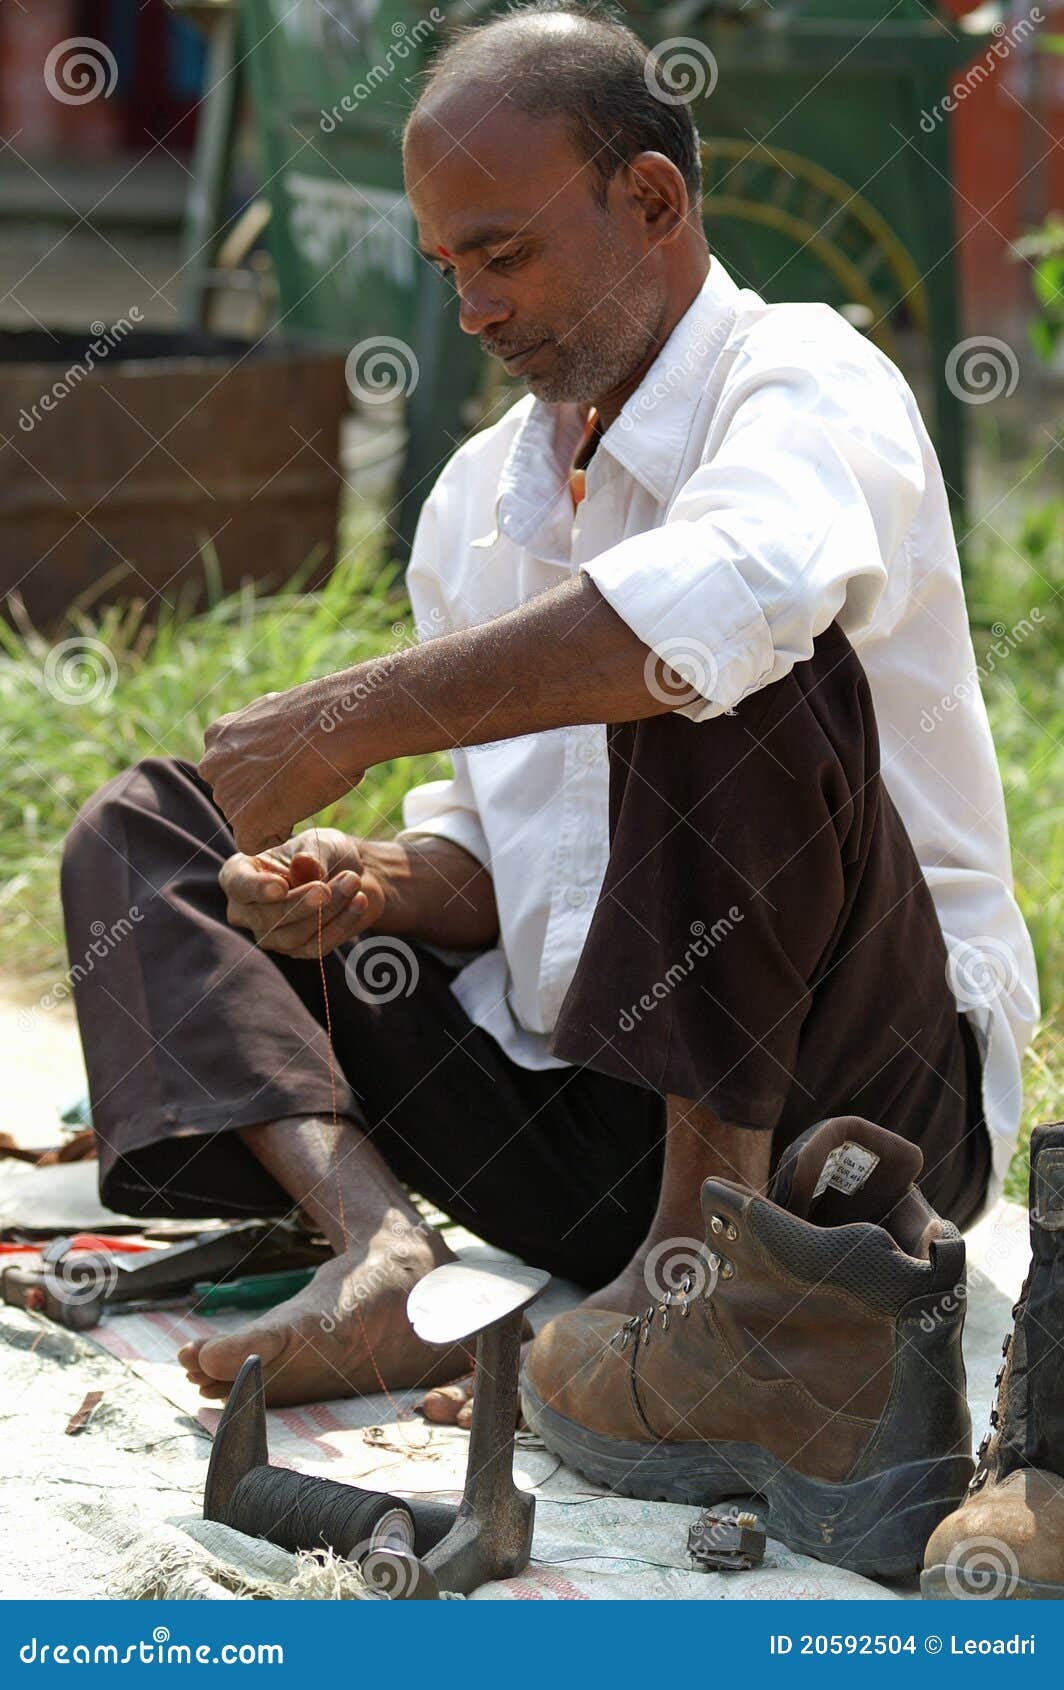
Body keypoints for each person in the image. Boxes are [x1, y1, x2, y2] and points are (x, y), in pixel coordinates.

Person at [63, 1, 1037, 1411]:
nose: (471, 307)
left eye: (503, 254)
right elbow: (498, 859)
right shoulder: (477, 501)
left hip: (850, 1137)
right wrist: (375, 883)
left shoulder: (808, 382)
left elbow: (717, 609)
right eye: (447, 264)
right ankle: (385, 1250)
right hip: (580, 1140)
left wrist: (350, 715)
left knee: (718, 654)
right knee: (149, 830)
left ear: (651, 200)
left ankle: (705, 1295)